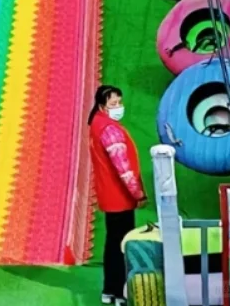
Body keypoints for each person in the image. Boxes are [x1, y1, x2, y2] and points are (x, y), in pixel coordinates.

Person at [89, 84, 147, 304]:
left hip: (108, 196)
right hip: (120, 198)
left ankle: (109, 290)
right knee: (123, 245)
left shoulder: (96, 123)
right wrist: (139, 194)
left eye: (120, 102)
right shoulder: (110, 130)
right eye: (113, 103)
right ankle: (120, 291)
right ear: (102, 106)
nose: (118, 107)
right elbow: (124, 170)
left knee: (112, 244)